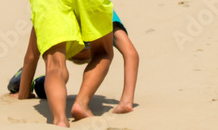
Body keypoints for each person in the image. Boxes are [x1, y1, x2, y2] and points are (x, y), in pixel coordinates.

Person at [14, 0, 115, 127]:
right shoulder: (94, 21)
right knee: (104, 52)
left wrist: (23, 94)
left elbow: (31, 57)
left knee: (55, 66)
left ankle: (60, 120)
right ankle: (81, 104)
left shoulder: (49, 22)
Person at [9, 10, 139, 114]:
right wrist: (126, 100)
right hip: (91, 50)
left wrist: (23, 94)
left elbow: (32, 57)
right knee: (55, 77)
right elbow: (131, 53)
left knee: (54, 72)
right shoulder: (101, 9)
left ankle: (33, 83)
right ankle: (39, 84)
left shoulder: (54, 9)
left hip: (64, 47)